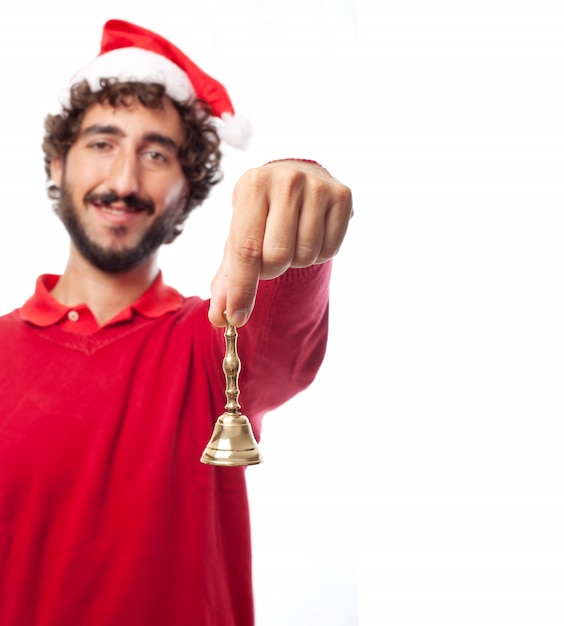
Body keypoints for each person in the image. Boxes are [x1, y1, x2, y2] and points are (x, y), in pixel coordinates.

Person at [0, 19, 352, 626]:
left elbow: (284, 336)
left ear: (188, 189)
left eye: (156, 154)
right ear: (57, 164)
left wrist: (293, 188)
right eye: (102, 143)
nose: (124, 181)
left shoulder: (212, 343)